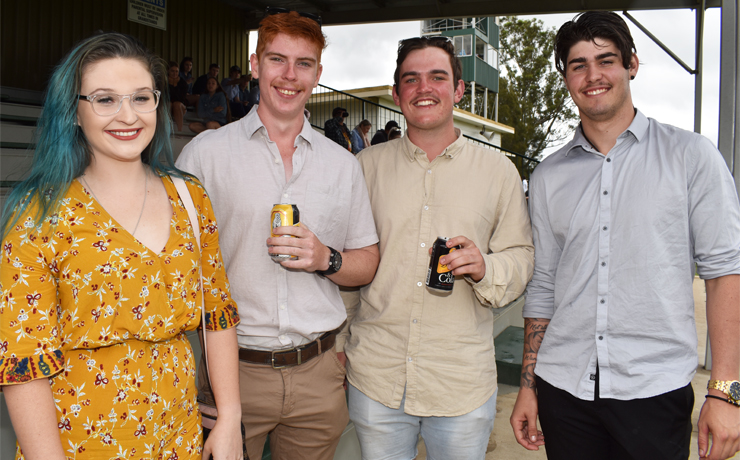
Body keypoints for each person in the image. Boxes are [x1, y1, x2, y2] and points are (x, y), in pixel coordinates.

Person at [0, 33, 242, 460]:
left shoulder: (190, 198)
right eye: (105, 99)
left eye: (141, 98)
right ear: (73, 112)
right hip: (80, 443)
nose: (127, 115)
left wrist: (229, 419)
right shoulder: (38, 214)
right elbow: (24, 363)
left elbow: (217, 315)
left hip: (179, 437)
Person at [510, 11, 740, 460]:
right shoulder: (548, 176)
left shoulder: (691, 156)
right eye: (578, 65)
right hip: (564, 388)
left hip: (654, 391)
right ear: (566, 77)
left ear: (631, 64)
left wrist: (726, 390)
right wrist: (528, 386)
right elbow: (544, 286)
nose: (592, 76)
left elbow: (725, 273)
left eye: (606, 60)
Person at [175, 10, 379, 460]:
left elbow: (367, 260)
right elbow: (176, 267)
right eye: (277, 60)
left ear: (318, 74)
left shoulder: (342, 165)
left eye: (304, 63)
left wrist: (326, 259)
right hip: (232, 372)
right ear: (255, 65)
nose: (290, 75)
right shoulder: (205, 155)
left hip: (318, 375)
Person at [342, 35, 534, 460]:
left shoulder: (498, 171)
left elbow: (522, 255)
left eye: (437, 77)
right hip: (376, 377)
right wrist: (340, 344)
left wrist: (486, 267)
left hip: (459, 383)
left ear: (459, 89)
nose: (423, 88)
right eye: (411, 79)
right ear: (397, 94)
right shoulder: (364, 168)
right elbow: (350, 265)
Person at [168, 61, 189, 131]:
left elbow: (181, 98)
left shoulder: (182, 82)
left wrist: (175, 85)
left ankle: (180, 130)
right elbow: (164, 96)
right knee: (168, 104)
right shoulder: (163, 82)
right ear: (168, 71)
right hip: (167, 105)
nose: (175, 73)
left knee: (176, 104)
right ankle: (166, 130)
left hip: (180, 106)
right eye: (172, 71)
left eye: (176, 71)